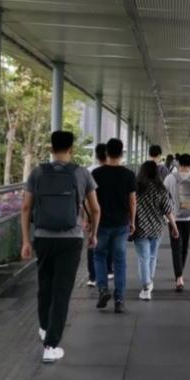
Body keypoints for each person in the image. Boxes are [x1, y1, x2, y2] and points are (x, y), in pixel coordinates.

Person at [21, 131, 100, 364]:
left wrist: (26, 241)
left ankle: (45, 328)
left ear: (51, 148)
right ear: (71, 149)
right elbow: (95, 209)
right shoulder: (81, 173)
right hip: (71, 239)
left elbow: (25, 208)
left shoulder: (37, 173)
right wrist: (93, 233)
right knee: (62, 291)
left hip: (43, 237)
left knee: (44, 286)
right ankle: (51, 346)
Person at [91, 138, 137, 314]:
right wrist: (132, 221)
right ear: (121, 153)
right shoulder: (128, 174)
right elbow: (132, 201)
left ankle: (103, 289)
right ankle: (119, 299)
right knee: (119, 261)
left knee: (99, 256)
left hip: (101, 223)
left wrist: (89, 221)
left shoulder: (96, 173)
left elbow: (90, 201)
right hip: (121, 223)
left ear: (106, 153)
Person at [134, 160, 179, 302]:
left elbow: (130, 206)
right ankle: (149, 281)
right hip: (157, 228)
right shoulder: (161, 188)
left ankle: (146, 287)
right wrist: (174, 227)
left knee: (143, 258)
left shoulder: (136, 188)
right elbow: (168, 210)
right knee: (152, 256)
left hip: (140, 228)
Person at [164, 153, 190, 291]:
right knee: (185, 245)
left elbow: (164, 195)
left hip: (173, 217)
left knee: (176, 247)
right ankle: (181, 271)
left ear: (178, 163)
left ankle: (179, 277)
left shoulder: (170, 178)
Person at [86, 143, 112, 288]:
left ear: (96, 155)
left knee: (92, 244)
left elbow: (86, 198)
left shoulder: (90, 172)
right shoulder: (115, 171)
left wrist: (86, 218)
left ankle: (92, 276)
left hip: (93, 213)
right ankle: (108, 270)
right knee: (109, 243)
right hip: (110, 215)